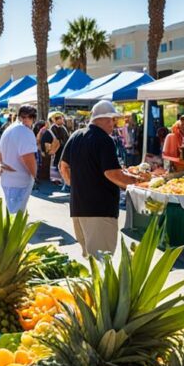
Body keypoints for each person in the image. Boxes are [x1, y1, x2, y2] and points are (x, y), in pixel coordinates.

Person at [59, 101, 147, 258]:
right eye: (112, 119)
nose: (113, 124)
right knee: (102, 262)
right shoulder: (104, 140)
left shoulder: (76, 135)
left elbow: (63, 166)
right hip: (99, 210)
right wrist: (138, 181)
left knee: (91, 261)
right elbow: (112, 174)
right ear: (105, 119)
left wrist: (77, 185)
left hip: (79, 208)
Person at [0, 105, 39, 213]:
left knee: (11, 214)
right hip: (20, 180)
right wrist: (35, 176)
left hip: (8, 179)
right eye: (25, 117)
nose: (26, 120)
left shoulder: (9, 128)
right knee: (16, 217)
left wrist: (1, 166)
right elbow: (28, 157)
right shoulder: (25, 132)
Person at [41, 111, 69, 186]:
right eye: (59, 118)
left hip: (63, 149)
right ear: (55, 120)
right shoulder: (52, 129)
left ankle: (62, 179)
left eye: (62, 118)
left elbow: (67, 138)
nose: (62, 119)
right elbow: (47, 140)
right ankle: (55, 180)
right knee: (54, 164)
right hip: (56, 150)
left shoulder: (64, 128)